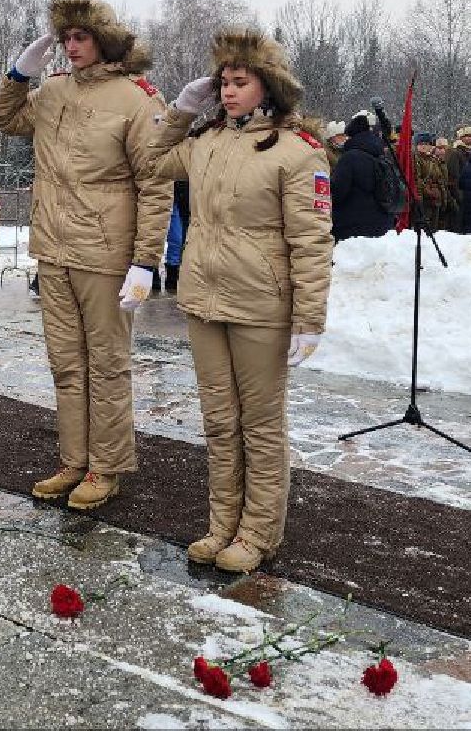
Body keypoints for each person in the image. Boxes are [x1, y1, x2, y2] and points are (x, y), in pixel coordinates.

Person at [141, 29, 332, 575]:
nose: (227, 91)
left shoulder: (298, 153)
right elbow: (152, 160)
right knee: (219, 420)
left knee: (260, 424)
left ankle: (257, 532)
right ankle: (222, 522)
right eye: (222, 82)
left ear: (267, 87)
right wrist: (179, 112)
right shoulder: (206, 141)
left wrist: (309, 317)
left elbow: (312, 240)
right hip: (204, 299)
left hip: (261, 306)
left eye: (239, 82)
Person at [0, 0, 173, 511]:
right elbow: (7, 120)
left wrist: (145, 260)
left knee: (107, 365)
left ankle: (107, 465)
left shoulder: (137, 99)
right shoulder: (52, 92)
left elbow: (156, 183)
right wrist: (18, 74)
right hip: (54, 247)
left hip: (105, 251)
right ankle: (74, 460)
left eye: (81, 38)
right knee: (66, 364)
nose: (71, 47)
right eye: (65, 38)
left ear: (104, 40)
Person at [328, 111, 394, 241]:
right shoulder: (381, 156)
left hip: (352, 228)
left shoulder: (349, 158)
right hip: (382, 225)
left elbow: (337, 193)